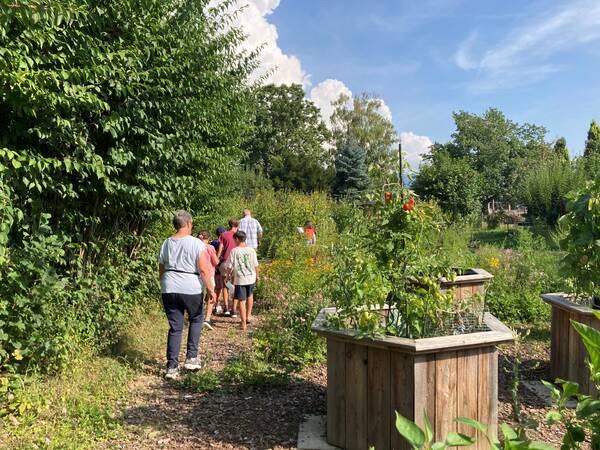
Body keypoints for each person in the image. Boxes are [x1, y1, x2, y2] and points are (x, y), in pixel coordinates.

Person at [158, 210, 216, 380]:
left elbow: (161, 267)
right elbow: (204, 269)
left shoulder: (166, 243)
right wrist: (211, 289)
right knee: (196, 319)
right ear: (189, 224)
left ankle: (172, 367)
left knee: (175, 327)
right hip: (190, 286)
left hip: (169, 287)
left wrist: (165, 282)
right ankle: (191, 358)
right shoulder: (196, 244)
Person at [225, 230, 259, 332]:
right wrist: (257, 276)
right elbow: (256, 265)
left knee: (241, 301)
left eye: (234, 239)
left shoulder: (234, 251)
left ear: (237, 239)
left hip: (240, 279)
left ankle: (243, 323)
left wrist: (227, 276)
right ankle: (248, 316)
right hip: (251, 277)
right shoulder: (251, 250)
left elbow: (229, 267)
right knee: (250, 296)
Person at [217, 219, 239, 317]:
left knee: (225, 285)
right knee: (236, 286)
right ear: (237, 225)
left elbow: (220, 250)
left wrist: (216, 262)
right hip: (236, 263)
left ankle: (226, 308)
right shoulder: (240, 235)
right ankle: (233, 310)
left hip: (225, 262)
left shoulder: (223, 235)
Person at [198, 230, 220, 330]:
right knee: (210, 295)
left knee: (199, 296)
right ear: (209, 238)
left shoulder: (195, 246)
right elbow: (215, 262)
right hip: (209, 274)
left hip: (197, 274)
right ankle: (207, 319)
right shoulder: (210, 248)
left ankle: (197, 317)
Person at [212, 226, 227, 314]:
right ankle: (218, 305)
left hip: (215, 267)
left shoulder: (213, 242)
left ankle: (216, 305)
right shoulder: (223, 243)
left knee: (216, 287)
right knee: (220, 287)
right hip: (221, 266)